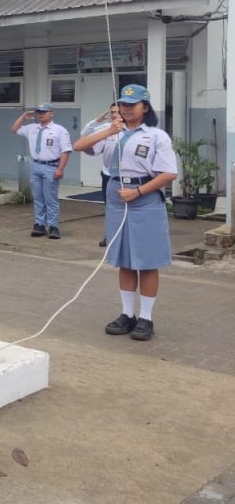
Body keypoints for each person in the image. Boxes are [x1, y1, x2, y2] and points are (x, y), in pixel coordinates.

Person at [73, 85, 177, 342]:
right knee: (124, 258)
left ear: (145, 107)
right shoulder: (112, 132)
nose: (126, 108)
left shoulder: (156, 136)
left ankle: (146, 318)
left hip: (145, 198)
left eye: (132, 104)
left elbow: (168, 173)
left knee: (147, 260)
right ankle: (127, 314)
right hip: (116, 197)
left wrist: (138, 192)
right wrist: (109, 130)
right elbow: (78, 145)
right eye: (123, 104)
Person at [11, 103, 73, 239]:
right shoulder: (32, 128)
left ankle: (53, 226)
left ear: (51, 113)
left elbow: (65, 151)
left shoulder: (59, 130)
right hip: (36, 165)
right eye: (39, 112)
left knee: (50, 198)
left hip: (51, 166)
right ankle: (39, 224)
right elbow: (14, 129)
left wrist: (60, 169)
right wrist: (23, 117)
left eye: (44, 112)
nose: (41, 114)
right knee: (38, 197)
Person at [80, 104, 121, 247]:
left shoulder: (132, 130)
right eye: (112, 112)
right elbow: (85, 135)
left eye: (117, 112)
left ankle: (124, 236)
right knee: (110, 207)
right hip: (108, 174)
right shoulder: (106, 128)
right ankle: (109, 235)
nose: (114, 115)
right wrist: (96, 122)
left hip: (127, 176)